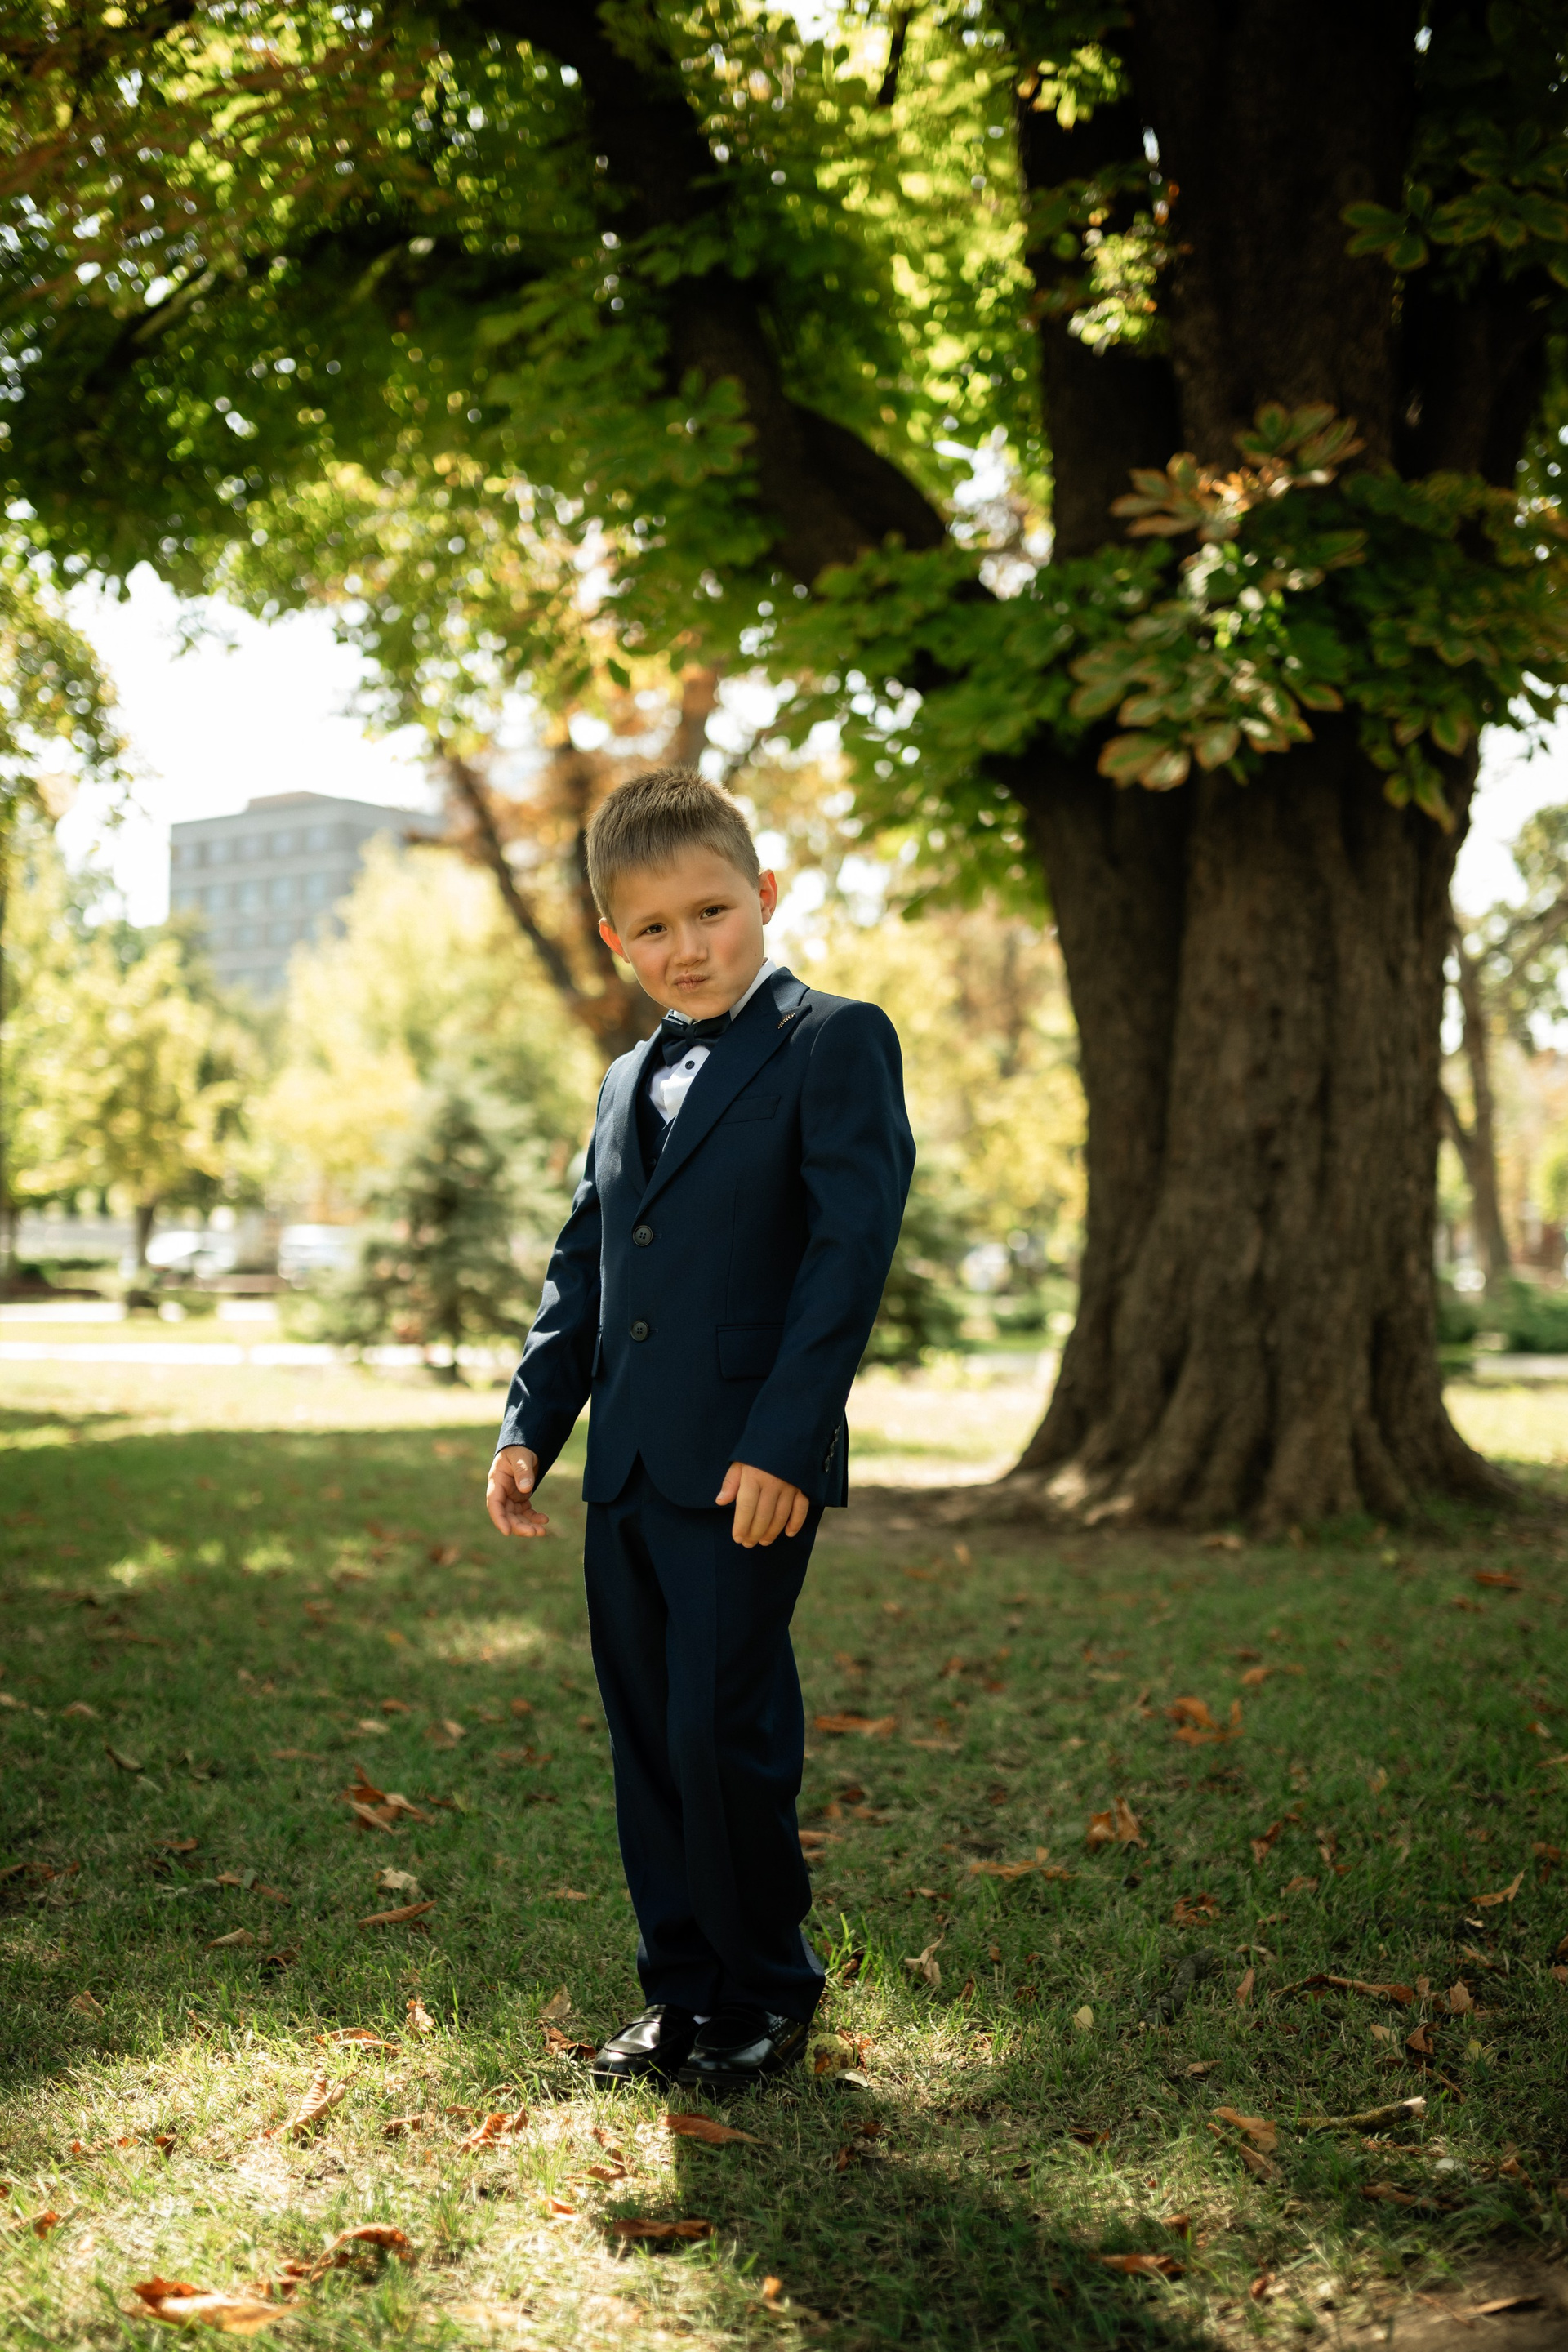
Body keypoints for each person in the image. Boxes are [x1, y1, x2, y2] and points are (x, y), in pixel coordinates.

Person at [485, 766, 914, 2093]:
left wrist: (787, 1442)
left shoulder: (833, 1042)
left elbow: (845, 1259)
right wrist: (531, 1425)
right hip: (625, 1471)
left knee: (723, 1730)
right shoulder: (626, 1079)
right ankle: (680, 1991)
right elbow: (585, 1265)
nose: (688, 947)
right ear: (614, 939)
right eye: (654, 928)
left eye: (712, 913)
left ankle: (766, 1991)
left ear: (764, 895)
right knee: (648, 1737)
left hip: (747, 1469)